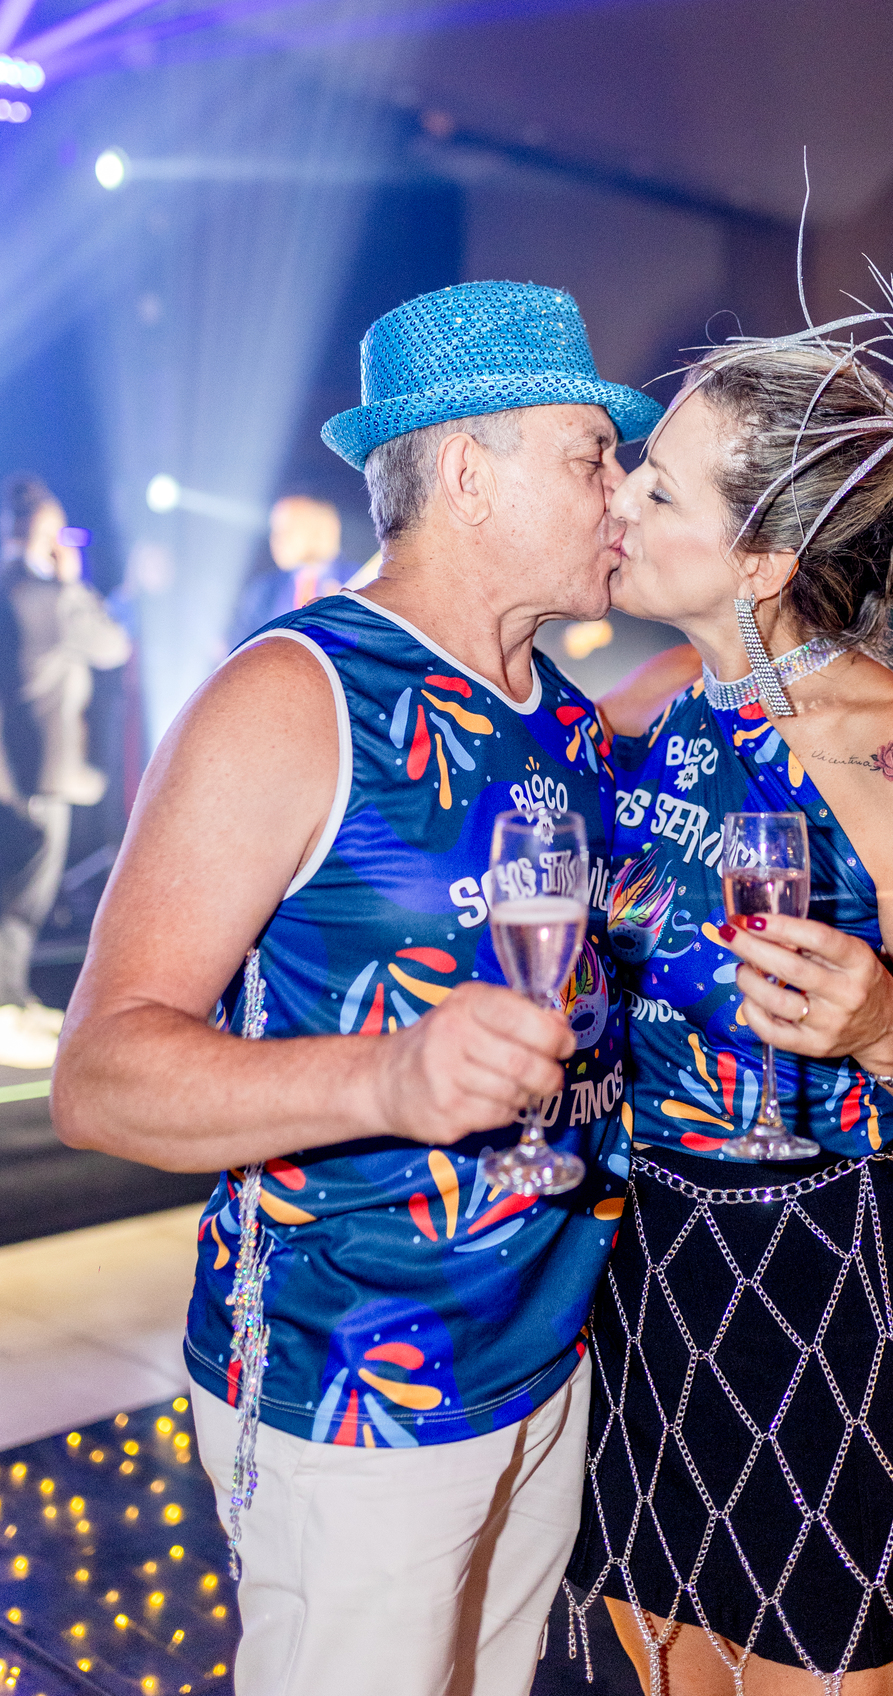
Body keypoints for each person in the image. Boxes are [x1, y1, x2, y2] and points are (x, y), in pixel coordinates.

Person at [52, 281, 663, 1696]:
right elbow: (101, 1077)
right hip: (357, 1388)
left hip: (547, 1361)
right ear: (469, 470)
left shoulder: (567, 721)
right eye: (592, 456)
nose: (621, 493)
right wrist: (388, 1075)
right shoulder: (295, 695)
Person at [567, 270, 893, 1695]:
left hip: (821, 1287)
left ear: (764, 559)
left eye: (659, 489)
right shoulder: (649, 703)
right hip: (636, 1275)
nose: (619, 500)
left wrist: (891, 1025)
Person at [0, 474, 131, 1068]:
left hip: (18, 764)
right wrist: (74, 580)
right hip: (35, 767)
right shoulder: (49, 594)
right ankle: (6, 1006)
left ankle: (15, 996)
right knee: (24, 891)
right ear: (48, 534)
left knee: (18, 884)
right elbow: (113, 645)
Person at [231, 494, 359, 642]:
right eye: (275, 531)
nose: (277, 539)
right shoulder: (263, 591)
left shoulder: (360, 582)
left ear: (321, 530)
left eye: (289, 529)